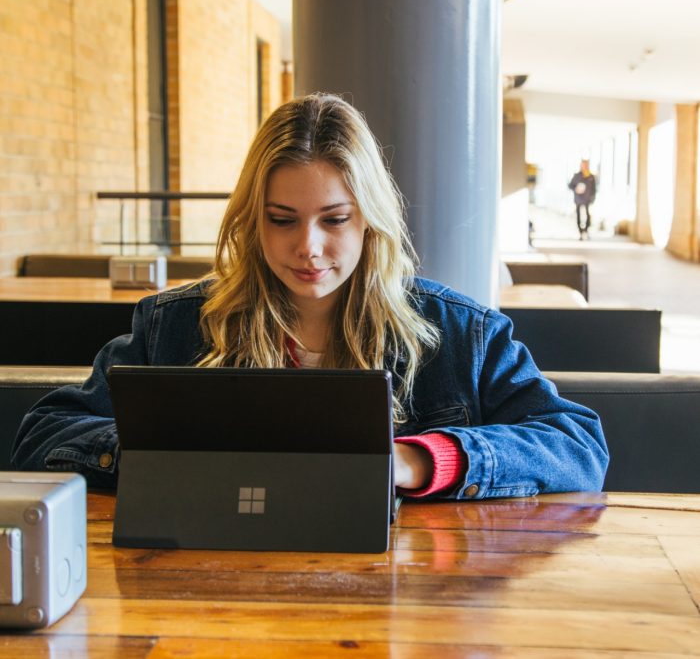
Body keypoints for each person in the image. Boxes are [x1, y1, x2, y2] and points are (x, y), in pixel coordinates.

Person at [12, 93, 608, 498]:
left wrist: (420, 460)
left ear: (369, 219)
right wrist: (159, 450)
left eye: (334, 219)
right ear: (252, 218)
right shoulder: (174, 324)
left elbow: (577, 445)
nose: (309, 248)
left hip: (404, 595)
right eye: (281, 219)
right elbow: (43, 434)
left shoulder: (460, 331)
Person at [568, 159, 597, 240]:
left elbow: (594, 189)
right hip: (578, 199)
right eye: (583, 165)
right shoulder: (577, 176)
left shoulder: (591, 176)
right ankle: (580, 232)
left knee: (588, 215)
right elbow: (570, 185)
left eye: (586, 165)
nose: (584, 167)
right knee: (578, 216)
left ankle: (586, 231)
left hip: (587, 199)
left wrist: (592, 198)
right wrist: (576, 189)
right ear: (581, 166)